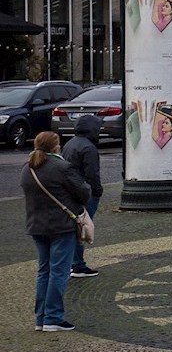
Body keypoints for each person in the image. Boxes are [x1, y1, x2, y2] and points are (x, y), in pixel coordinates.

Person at [23, 130, 88, 332]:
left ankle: (40, 318)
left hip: (36, 226)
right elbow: (83, 192)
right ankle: (53, 317)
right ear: (55, 146)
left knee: (44, 271)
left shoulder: (28, 168)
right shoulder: (62, 167)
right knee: (59, 272)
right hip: (61, 226)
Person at [61, 113, 104, 277]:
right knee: (81, 228)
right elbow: (92, 173)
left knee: (75, 227)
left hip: (71, 192)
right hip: (84, 192)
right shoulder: (88, 147)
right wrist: (97, 190)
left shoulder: (71, 143)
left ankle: (73, 263)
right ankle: (78, 265)